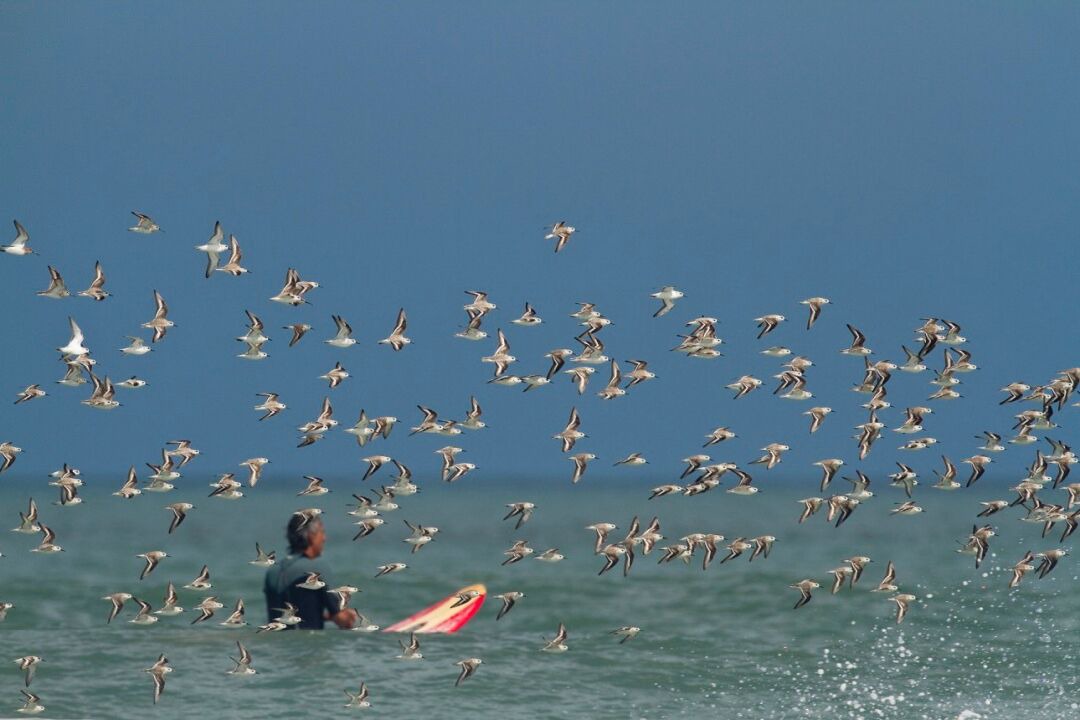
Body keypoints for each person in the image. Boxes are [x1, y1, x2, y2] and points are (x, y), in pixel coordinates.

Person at [264, 512, 357, 629]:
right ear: (311, 536)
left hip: (276, 645)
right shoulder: (317, 567)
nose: (324, 538)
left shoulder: (273, 571)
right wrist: (350, 616)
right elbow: (342, 619)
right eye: (322, 532)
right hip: (309, 646)